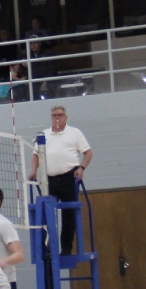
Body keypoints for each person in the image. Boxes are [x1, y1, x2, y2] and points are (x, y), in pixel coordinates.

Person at [29, 106, 93, 255]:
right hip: (48, 179)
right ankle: (48, 248)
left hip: (69, 177)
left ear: (65, 117)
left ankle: (66, 248)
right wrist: (33, 171)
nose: (57, 117)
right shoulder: (44, 134)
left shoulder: (74, 133)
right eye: (54, 115)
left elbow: (88, 152)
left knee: (68, 213)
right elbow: (36, 155)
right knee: (47, 212)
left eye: (60, 115)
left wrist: (81, 168)